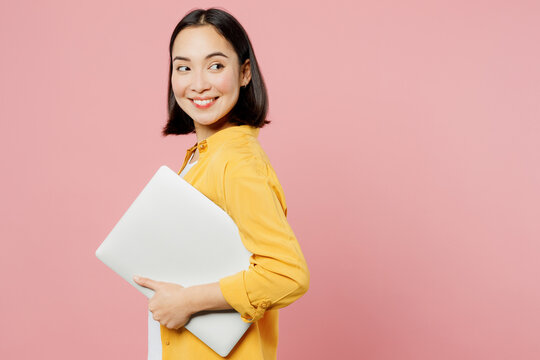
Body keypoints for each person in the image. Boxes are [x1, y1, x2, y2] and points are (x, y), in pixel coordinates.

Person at [133, 7, 310, 360]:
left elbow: (287, 274)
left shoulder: (238, 162)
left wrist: (186, 302)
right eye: (183, 67)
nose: (198, 83)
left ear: (245, 72)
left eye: (215, 65)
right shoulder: (204, 155)